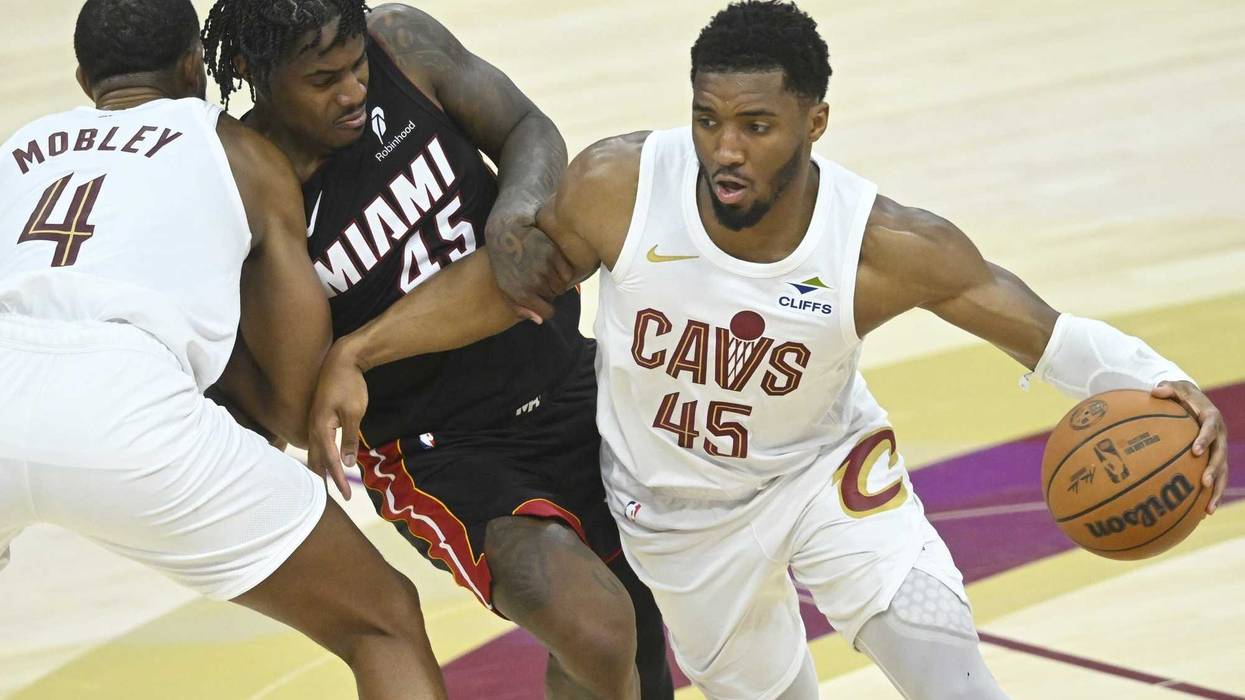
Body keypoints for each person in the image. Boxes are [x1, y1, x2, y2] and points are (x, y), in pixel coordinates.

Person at [322, 2, 1232, 698]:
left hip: (822, 478)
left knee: (938, 656)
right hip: (678, 519)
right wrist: (359, 350)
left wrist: (1159, 382)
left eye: (755, 125)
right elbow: (502, 284)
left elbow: (1044, 333)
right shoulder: (621, 185)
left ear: (814, 122)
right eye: (707, 118)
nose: (725, 148)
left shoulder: (882, 244)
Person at [200, 2, 672, 698]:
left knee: (641, 628)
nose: (354, 89)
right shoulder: (245, 183)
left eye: (356, 66)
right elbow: (280, 390)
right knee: (596, 632)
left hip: (566, 371)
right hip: (439, 450)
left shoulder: (403, 44)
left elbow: (523, 128)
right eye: (324, 78)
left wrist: (516, 204)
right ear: (251, 71)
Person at [0, 1, 446, 697]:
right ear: (191, 67)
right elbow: (297, 409)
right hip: (123, 408)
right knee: (380, 621)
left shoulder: (19, 146)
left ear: (85, 78)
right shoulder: (238, 150)